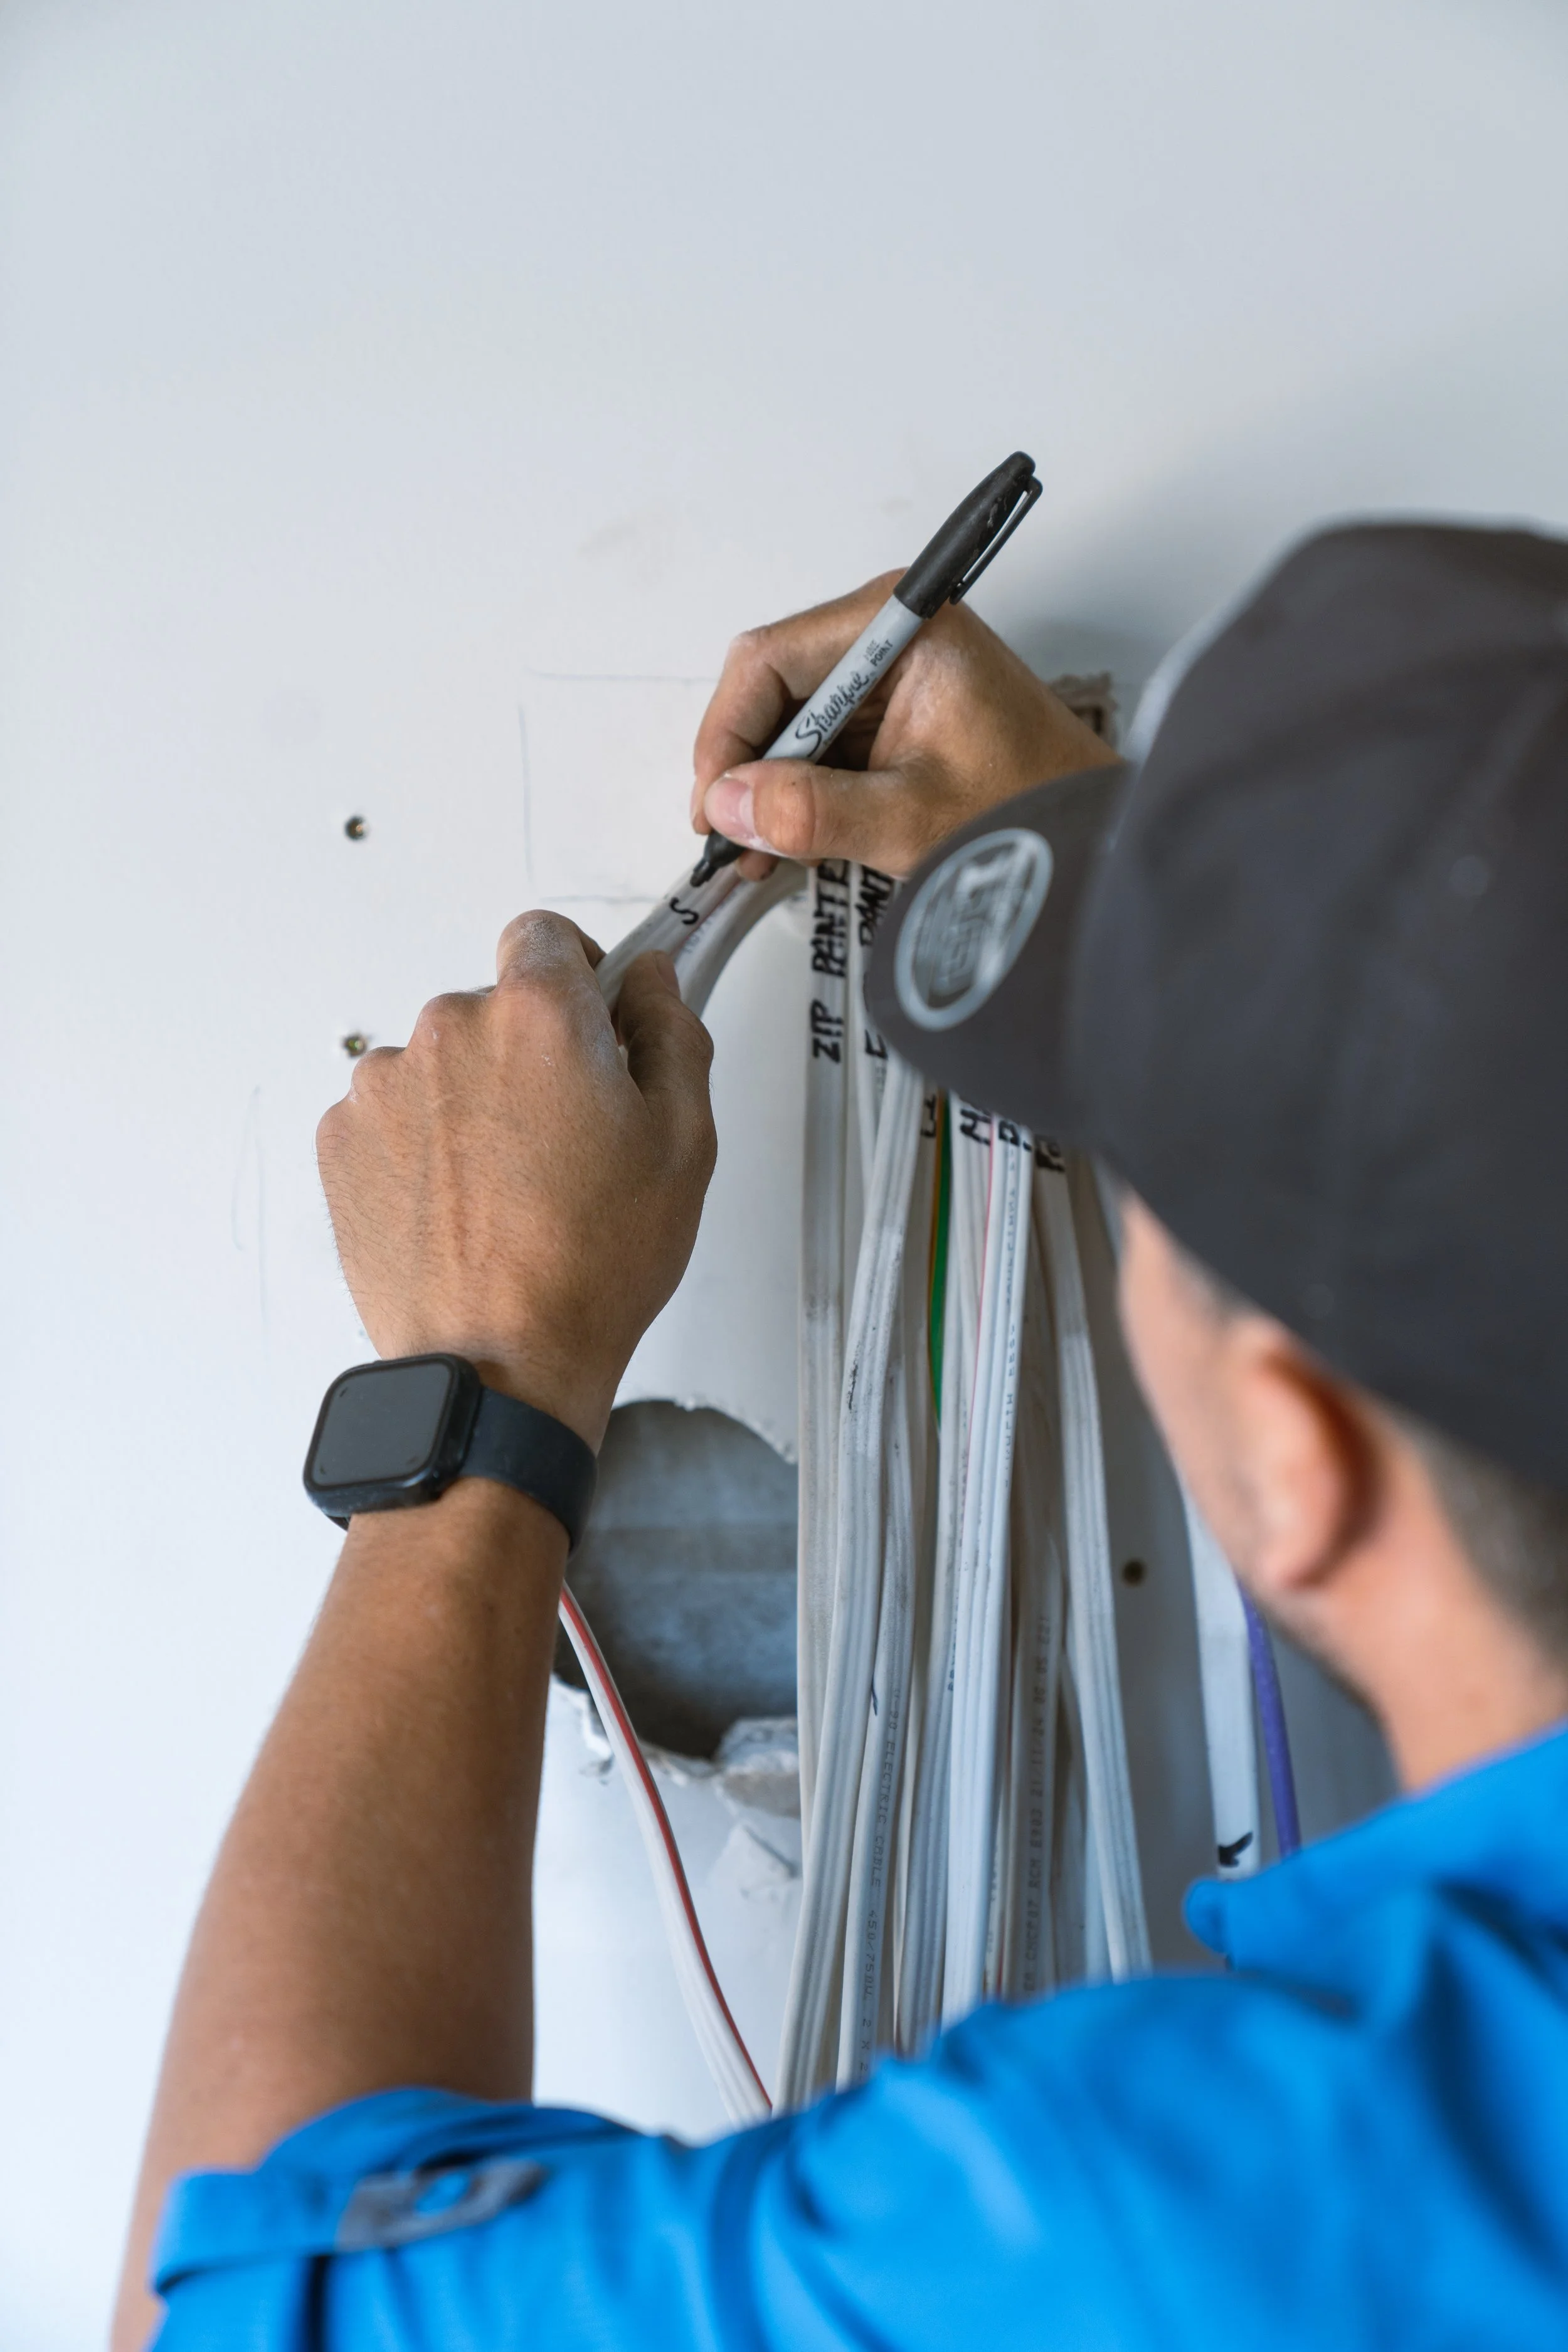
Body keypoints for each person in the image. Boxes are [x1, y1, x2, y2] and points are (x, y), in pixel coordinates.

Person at [114, 522, 1568, 2350]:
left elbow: (229, 2306)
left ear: (1296, 1459)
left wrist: (475, 1391)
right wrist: (1184, 920)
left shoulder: (1214, 2207)